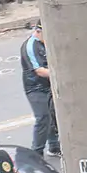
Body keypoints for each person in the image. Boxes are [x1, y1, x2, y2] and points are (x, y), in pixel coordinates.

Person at [20, 21, 61, 158]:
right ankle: (36, 152)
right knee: (43, 117)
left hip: (49, 85)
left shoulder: (46, 42)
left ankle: (54, 146)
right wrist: (62, 75)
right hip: (36, 88)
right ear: (39, 31)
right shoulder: (30, 46)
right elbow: (39, 70)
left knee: (52, 115)